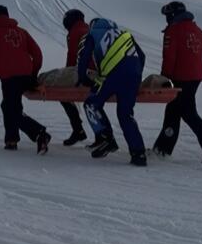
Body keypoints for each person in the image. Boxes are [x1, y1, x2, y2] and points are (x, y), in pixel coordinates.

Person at [153, 1, 202, 164]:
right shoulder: (195, 29)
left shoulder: (172, 31)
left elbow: (169, 58)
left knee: (187, 113)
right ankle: (163, 149)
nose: (166, 19)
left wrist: (164, 79)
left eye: (167, 15)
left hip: (180, 78)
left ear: (172, 15)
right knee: (174, 111)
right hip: (195, 77)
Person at [0, 5, 51, 152]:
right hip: (26, 76)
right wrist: (33, 73)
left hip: (9, 79)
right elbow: (37, 53)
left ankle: (39, 133)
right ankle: (11, 140)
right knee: (11, 106)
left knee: (10, 109)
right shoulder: (22, 32)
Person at [76, 17, 148, 165]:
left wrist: (83, 78)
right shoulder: (124, 34)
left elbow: (84, 59)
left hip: (113, 76)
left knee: (91, 103)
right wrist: (137, 75)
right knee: (125, 114)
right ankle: (138, 154)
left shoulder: (93, 34)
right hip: (133, 75)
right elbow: (142, 56)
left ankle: (106, 138)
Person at [61, 9, 92, 146]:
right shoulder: (88, 29)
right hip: (100, 71)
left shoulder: (75, 32)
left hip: (86, 72)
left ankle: (78, 129)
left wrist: (67, 75)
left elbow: (73, 56)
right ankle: (79, 130)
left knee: (61, 93)